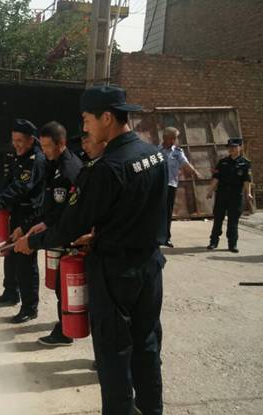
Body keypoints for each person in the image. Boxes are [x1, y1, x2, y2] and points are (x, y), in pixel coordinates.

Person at [15, 85, 167, 415]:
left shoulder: (107, 167)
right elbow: (141, 210)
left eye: (86, 119)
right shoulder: (155, 155)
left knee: (113, 353)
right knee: (146, 344)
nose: (84, 127)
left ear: (106, 118)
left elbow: (69, 227)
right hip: (150, 265)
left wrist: (32, 242)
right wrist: (99, 231)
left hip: (115, 273)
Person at [0, 119, 46, 324]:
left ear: (30, 140)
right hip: (15, 212)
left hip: (29, 216)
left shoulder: (35, 160)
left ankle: (29, 307)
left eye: (20, 141)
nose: (16, 144)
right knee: (10, 253)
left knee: (25, 260)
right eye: (13, 140)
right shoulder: (18, 156)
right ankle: (10, 292)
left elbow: (20, 188)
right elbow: (7, 184)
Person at [25, 121, 83, 345]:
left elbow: (66, 211)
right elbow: (54, 207)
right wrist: (43, 222)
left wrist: (43, 231)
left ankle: (65, 331)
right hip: (57, 227)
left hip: (69, 236)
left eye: (48, 146)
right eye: (42, 146)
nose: (44, 150)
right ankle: (66, 324)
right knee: (62, 284)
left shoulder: (67, 170)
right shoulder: (55, 163)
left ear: (61, 143)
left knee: (65, 285)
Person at [206, 138, 253, 253]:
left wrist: (248, 193)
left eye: (234, 147)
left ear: (240, 147)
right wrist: (210, 190)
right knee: (218, 219)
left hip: (236, 196)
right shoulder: (222, 162)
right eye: (230, 147)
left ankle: (232, 244)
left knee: (233, 221)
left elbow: (247, 180)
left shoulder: (245, 163)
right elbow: (216, 178)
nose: (231, 149)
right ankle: (213, 242)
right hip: (222, 194)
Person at [159, 126, 200, 247]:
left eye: (175, 138)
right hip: (158, 186)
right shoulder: (156, 151)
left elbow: (185, 163)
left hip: (170, 186)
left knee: (167, 212)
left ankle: (166, 238)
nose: (174, 140)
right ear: (166, 138)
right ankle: (155, 237)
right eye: (173, 138)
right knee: (156, 212)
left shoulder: (177, 152)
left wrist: (195, 172)